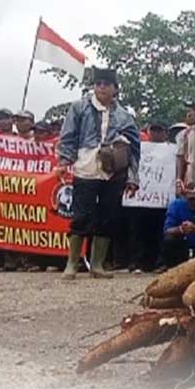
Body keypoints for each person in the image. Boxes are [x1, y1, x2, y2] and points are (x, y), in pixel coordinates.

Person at [56, 67, 140, 280]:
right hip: (86, 167)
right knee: (81, 216)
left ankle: (97, 264)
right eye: (98, 84)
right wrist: (64, 160)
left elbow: (134, 149)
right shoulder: (79, 108)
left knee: (108, 217)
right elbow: (68, 136)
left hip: (113, 173)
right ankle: (72, 263)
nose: (101, 87)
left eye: (106, 84)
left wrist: (133, 176)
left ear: (115, 89)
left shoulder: (125, 116)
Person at [125, 123, 171, 273]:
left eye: (160, 130)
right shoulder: (139, 148)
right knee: (137, 231)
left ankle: (156, 262)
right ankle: (136, 262)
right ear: (149, 131)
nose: (156, 133)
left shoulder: (171, 150)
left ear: (165, 132)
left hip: (161, 198)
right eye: (154, 130)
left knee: (159, 230)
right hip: (140, 197)